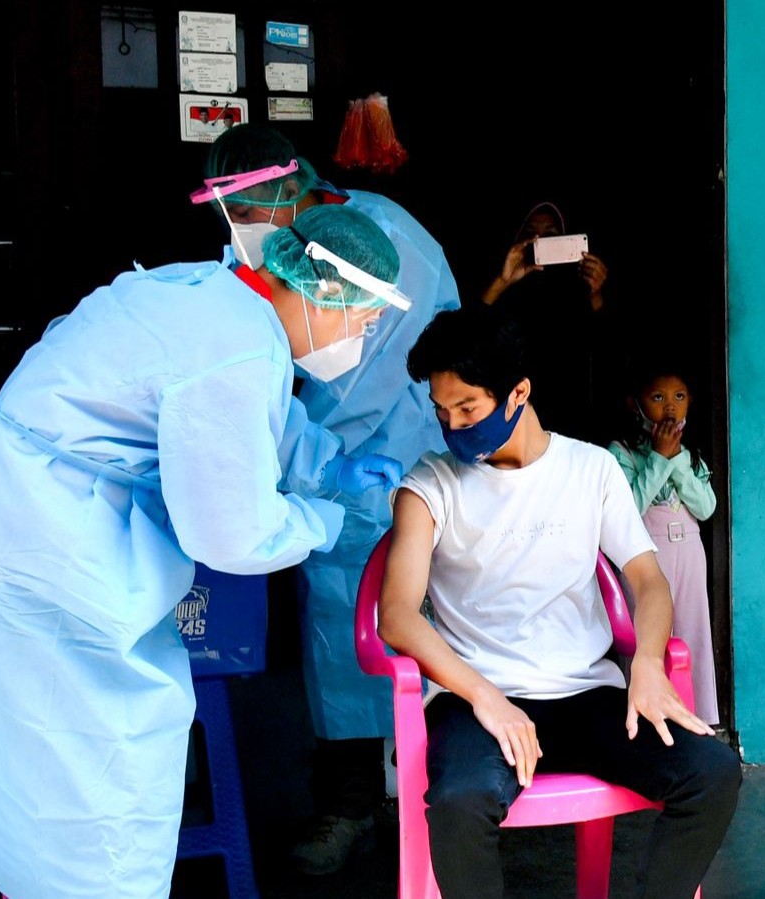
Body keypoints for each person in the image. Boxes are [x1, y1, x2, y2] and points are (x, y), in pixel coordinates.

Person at [0, 207, 409, 899]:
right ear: (327, 291)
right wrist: (324, 515)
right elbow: (232, 532)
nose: (365, 338)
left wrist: (328, 464)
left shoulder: (213, 295)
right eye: (366, 320)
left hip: (25, 515)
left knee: (57, 770)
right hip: (49, 548)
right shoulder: (241, 346)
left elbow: (255, 422)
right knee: (99, 772)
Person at [378, 306, 741, 899]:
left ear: (519, 391)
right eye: (442, 411)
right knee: (459, 800)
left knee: (712, 772)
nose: (452, 426)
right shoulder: (430, 484)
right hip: (478, 702)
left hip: (586, 697)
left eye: (467, 408)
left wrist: (647, 663)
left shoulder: (591, 470)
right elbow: (396, 614)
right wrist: (485, 698)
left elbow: (648, 579)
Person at [194, 123, 461, 873]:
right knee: (339, 645)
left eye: (250, 212)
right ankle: (349, 803)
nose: (241, 234)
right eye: (230, 218)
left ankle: (441, 808)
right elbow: (259, 376)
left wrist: (310, 457)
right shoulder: (257, 261)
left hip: (406, 464)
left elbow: (347, 370)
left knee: (424, 644)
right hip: (332, 483)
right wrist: (314, 465)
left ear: (288, 189)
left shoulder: (373, 243)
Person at [608, 363, 720, 725]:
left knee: (692, 633)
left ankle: (698, 716)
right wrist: (658, 458)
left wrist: (677, 460)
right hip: (643, 556)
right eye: (658, 398)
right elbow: (630, 509)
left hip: (688, 552)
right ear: (634, 404)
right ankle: (643, 716)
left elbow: (705, 508)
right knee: (646, 637)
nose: (670, 407)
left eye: (679, 397)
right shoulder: (621, 452)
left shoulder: (692, 453)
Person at [478, 201, 618, 442]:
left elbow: (610, 351)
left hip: (574, 423)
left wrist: (596, 296)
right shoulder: (508, 294)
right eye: (530, 235)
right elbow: (469, 335)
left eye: (552, 236)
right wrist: (502, 281)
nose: (540, 241)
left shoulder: (579, 292)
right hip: (513, 423)